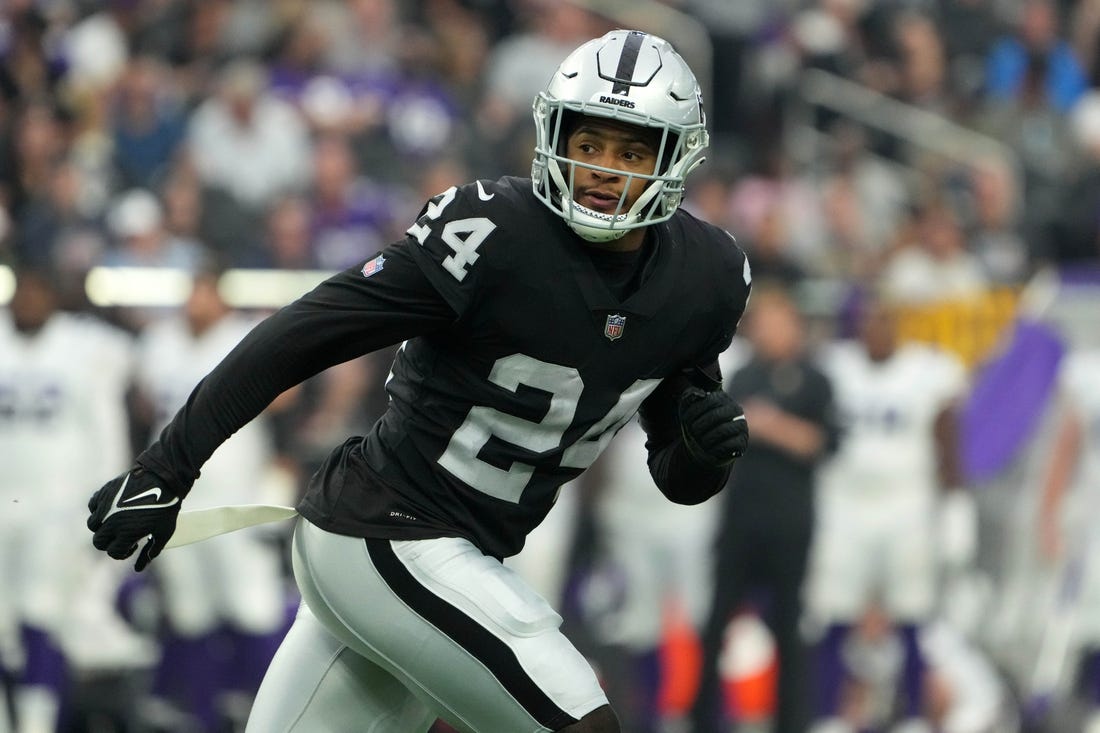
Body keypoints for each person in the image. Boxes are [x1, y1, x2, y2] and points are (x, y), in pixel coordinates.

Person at [86, 30, 753, 733]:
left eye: (630, 151)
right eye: (588, 145)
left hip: (441, 558)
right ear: (553, 135)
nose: (602, 170)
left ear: (675, 159)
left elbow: (678, 474)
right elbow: (305, 333)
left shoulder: (704, 278)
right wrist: (169, 463)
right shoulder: (492, 232)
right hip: (386, 533)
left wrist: (706, 452)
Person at [131, 266, 294, 731]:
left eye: (206, 290)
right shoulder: (159, 342)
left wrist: (280, 468)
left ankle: (275, 719)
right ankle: (205, 717)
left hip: (235, 498)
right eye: (193, 290)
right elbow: (145, 407)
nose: (197, 300)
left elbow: (286, 399)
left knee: (253, 607)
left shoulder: (244, 335)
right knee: (190, 612)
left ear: (222, 295)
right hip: (177, 503)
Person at [808, 294, 971, 733]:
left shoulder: (928, 371)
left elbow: (947, 440)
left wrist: (957, 504)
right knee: (833, 610)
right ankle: (829, 716)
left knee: (911, 612)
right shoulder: (833, 366)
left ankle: (914, 716)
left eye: (884, 320)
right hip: (843, 504)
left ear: (898, 324)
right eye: (868, 319)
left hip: (907, 505)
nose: (876, 328)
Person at [0, 265, 147, 732]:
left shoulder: (85, 347)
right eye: (21, 290)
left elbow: (106, 434)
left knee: (41, 613)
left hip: (54, 511)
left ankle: (38, 723)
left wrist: (107, 501)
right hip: (3, 507)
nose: (27, 301)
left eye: (37, 290)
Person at [690, 285, 838, 733]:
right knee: (715, 625)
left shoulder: (815, 379)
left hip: (790, 524)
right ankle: (703, 720)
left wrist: (769, 426)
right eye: (763, 323)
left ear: (795, 326)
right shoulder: (742, 377)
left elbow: (823, 442)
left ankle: (790, 723)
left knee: (789, 630)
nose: (770, 331)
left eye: (778, 321)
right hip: (739, 520)